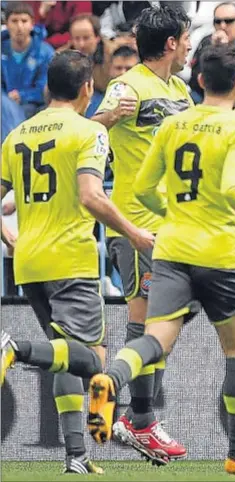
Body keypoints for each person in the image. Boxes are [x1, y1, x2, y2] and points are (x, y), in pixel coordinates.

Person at [85, 44, 235, 475]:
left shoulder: (173, 124)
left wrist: (176, 213)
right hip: (219, 251)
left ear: (198, 81)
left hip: (172, 248)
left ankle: (112, 380)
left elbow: (144, 189)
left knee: (156, 337)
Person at [0, 50, 154, 474]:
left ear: (48, 87)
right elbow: (90, 195)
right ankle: (14, 347)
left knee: (65, 355)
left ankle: (76, 456)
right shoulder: (89, 132)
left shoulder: (17, 135)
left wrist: (6, 234)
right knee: (96, 361)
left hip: (28, 261)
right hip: (71, 259)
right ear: (88, 88)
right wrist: (136, 233)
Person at [91, 4, 195, 465]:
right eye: (187, 39)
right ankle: (140, 418)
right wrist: (109, 119)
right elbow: (84, 135)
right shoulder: (125, 86)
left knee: (169, 319)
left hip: (174, 226)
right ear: (171, 43)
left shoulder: (180, 90)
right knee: (149, 321)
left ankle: (136, 414)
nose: (191, 46)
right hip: (137, 226)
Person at [1, 2, 54, 119]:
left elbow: (47, 89)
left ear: (32, 24)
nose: (19, 26)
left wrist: (22, 96)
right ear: (6, 24)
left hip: (34, 109)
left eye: (24, 21)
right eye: (14, 21)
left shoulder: (45, 52)